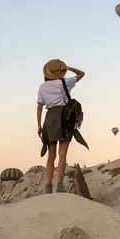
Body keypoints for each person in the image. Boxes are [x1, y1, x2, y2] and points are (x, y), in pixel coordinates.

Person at [36, 59, 85, 194]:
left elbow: (39, 107)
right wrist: (68, 68)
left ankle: (48, 186)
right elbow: (82, 74)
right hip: (64, 117)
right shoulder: (65, 82)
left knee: (51, 156)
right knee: (62, 154)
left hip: (50, 118)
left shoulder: (42, 87)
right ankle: (60, 185)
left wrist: (39, 125)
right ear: (60, 72)